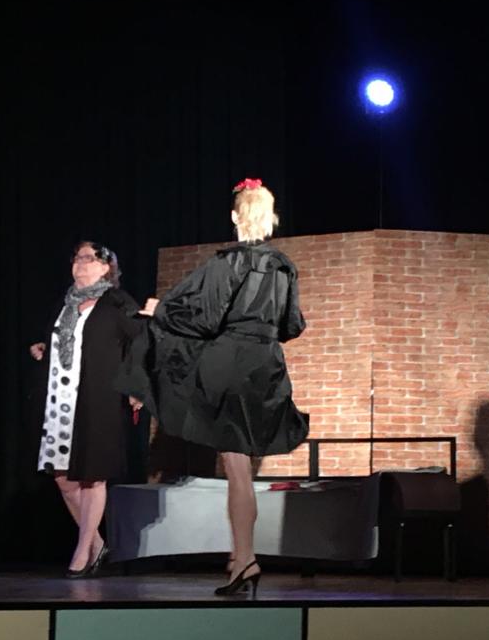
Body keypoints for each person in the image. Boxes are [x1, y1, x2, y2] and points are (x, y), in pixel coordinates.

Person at [119, 178, 309, 596]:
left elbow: (204, 319)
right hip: (266, 366)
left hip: (231, 364)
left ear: (235, 217)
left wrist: (161, 310)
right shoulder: (284, 267)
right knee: (241, 467)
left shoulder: (227, 263)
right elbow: (293, 325)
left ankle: (245, 558)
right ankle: (240, 558)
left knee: (237, 468)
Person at [29, 242, 143, 578]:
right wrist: (44, 348)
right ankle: (96, 542)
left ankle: (83, 553)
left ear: (106, 267)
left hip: (99, 398)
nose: (80, 263)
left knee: (93, 474)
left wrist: (137, 385)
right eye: (77, 258)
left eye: (89, 258)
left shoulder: (117, 302)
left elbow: (141, 342)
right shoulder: (65, 303)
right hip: (59, 400)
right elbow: (65, 341)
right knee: (63, 477)